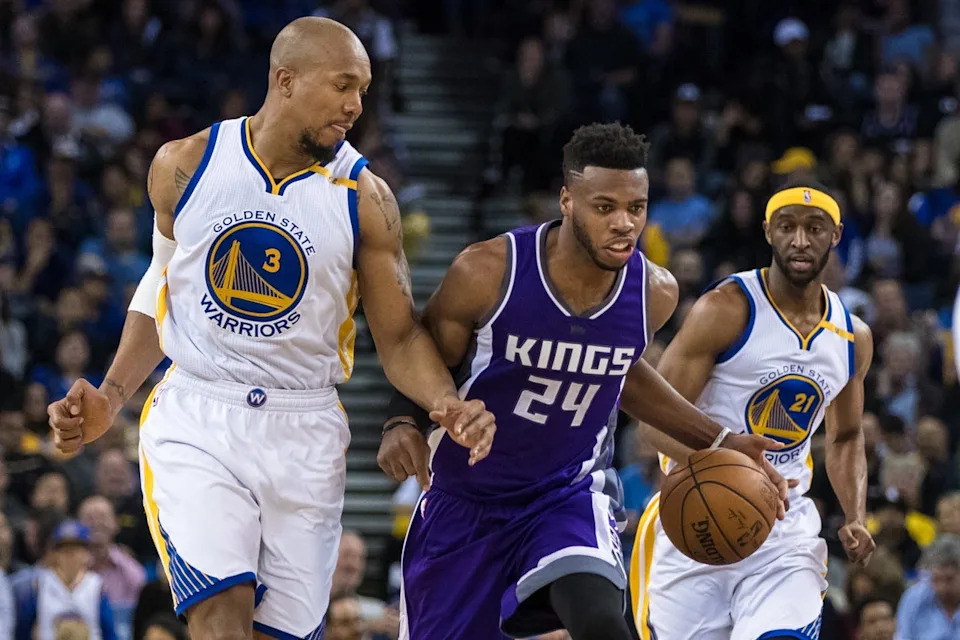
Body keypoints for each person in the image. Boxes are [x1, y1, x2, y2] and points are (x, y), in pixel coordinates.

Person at [46, 16, 495, 640]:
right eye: (342, 86)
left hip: (304, 428)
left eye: (363, 90)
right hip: (199, 414)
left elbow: (398, 338)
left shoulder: (366, 199)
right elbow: (160, 286)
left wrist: (444, 402)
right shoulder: (183, 165)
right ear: (285, 80)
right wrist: (112, 394)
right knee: (221, 615)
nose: (355, 105)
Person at [377, 123, 789, 640]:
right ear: (567, 200)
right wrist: (401, 419)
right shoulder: (487, 272)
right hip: (465, 500)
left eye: (636, 208)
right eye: (605, 207)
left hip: (566, 495)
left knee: (600, 622)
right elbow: (425, 349)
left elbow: (620, 371)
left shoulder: (653, 292)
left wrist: (720, 439)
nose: (624, 223)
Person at [631, 181, 876, 640]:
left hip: (783, 530)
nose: (800, 240)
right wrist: (728, 458)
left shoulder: (851, 336)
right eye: (787, 226)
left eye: (814, 228)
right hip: (695, 522)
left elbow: (845, 438)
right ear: (768, 231)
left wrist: (856, 514)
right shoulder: (726, 309)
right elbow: (651, 424)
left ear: (836, 235)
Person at [895, 534, 960, 640]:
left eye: (949, 579)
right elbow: (903, 636)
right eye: (937, 579)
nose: (942, 588)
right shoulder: (914, 598)